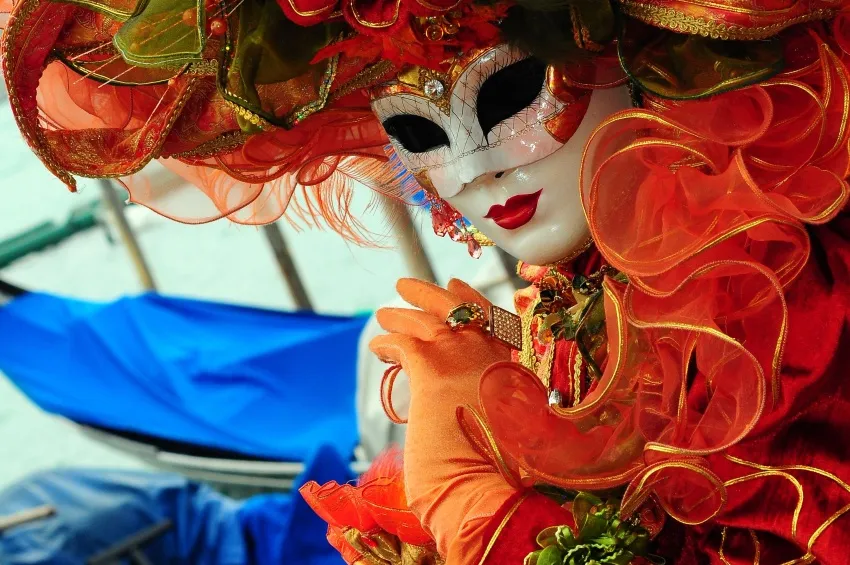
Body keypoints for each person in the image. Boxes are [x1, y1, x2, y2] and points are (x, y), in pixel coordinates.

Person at [4, 0, 850, 562]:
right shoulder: (576, 291)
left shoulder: (766, 288)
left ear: (638, 53)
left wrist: (472, 507)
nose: (474, 172)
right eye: (419, 127)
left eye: (509, 92)